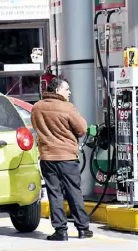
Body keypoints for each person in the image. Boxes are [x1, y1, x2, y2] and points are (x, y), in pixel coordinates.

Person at [31, 76, 93, 241]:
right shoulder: (67, 107)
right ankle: (83, 229)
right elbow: (81, 129)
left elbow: (36, 127)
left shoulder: (37, 107)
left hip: (47, 157)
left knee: (54, 194)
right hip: (67, 157)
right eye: (66, 89)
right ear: (57, 90)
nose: (69, 92)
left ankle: (61, 231)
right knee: (74, 192)